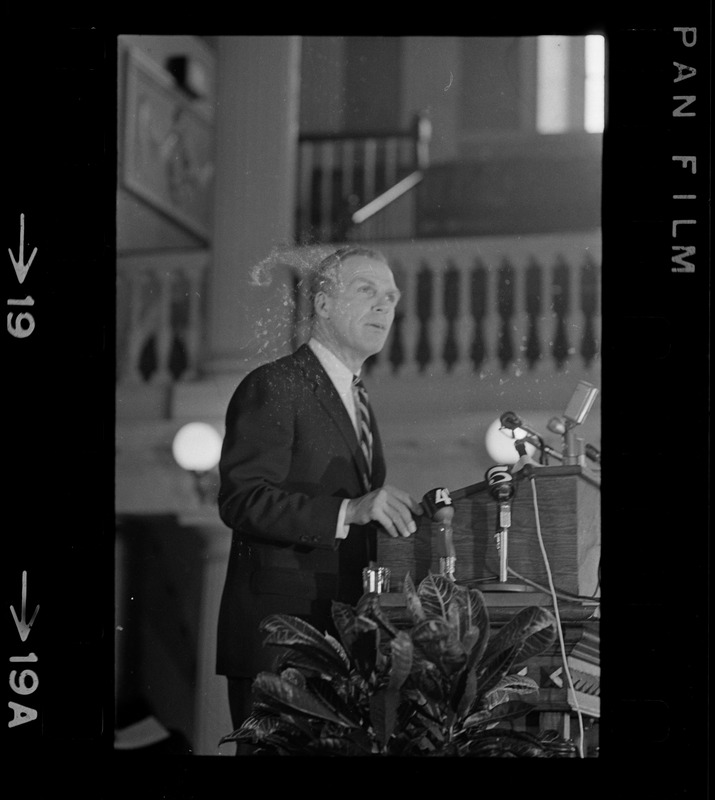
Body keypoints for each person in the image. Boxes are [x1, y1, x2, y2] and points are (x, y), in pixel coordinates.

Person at [215, 245, 424, 736]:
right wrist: (349, 510)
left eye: (391, 297)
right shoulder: (277, 384)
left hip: (341, 644)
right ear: (324, 305)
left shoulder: (359, 402)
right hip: (281, 642)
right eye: (367, 291)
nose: (384, 306)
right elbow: (240, 498)